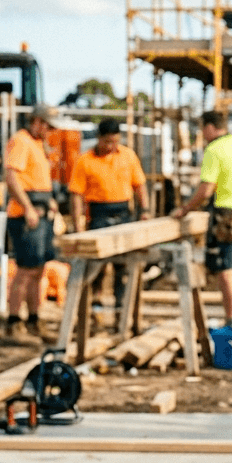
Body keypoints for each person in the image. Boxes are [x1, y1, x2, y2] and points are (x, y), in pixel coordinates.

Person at [171, 111, 232, 327]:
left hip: (225, 219)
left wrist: (185, 209)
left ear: (209, 127)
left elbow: (206, 190)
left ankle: (231, 322)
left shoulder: (214, 150)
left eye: (202, 129)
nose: (202, 134)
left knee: (225, 273)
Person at [68, 118, 150, 320]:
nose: (111, 146)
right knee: (97, 262)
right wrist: (78, 220)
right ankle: (95, 302)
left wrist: (145, 210)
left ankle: (121, 306)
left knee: (123, 264)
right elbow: (76, 194)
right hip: (99, 214)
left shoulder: (128, 156)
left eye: (115, 142)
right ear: (99, 139)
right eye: (107, 142)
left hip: (123, 212)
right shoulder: (85, 160)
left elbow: (139, 185)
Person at [3, 103, 59, 340]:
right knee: (25, 270)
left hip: (41, 210)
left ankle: (35, 320)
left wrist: (50, 202)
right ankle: (14, 322)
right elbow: (11, 176)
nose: (49, 131)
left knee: (39, 269)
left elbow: (37, 178)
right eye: (47, 126)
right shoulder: (21, 141)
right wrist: (27, 208)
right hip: (26, 215)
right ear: (37, 122)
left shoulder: (37, 144)